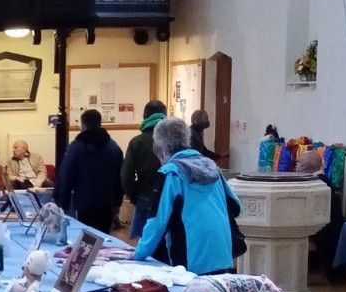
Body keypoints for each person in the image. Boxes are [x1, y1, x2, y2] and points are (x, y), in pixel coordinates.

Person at [136, 116, 240, 275]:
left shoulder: (171, 173)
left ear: (163, 148)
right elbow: (235, 205)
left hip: (191, 260)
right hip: (223, 254)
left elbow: (157, 221)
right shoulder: (212, 167)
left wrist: (139, 254)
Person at [55, 108, 124, 233]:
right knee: (103, 238)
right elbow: (120, 178)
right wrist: (117, 202)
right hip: (107, 204)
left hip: (84, 204)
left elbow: (66, 174)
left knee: (85, 239)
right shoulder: (113, 147)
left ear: (83, 125)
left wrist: (62, 202)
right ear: (100, 123)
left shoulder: (76, 147)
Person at [121, 99, 167, 243]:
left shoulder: (137, 142)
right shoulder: (175, 140)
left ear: (144, 117)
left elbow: (126, 175)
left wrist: (135, 196)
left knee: (145, 243)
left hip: (145, 198)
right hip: (171, 198)